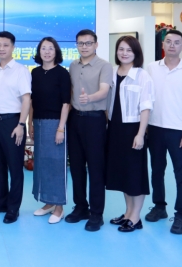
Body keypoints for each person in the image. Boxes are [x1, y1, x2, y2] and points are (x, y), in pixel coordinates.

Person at [145, 29, 182, 234]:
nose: (172, 45)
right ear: (163, 44)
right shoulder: (151, 68)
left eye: (177, 42)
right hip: (154, 128)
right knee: (156, 170)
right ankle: (159, 206)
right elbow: (146, 98)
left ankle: (181, 215)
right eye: (168, 41)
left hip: (179, 130)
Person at [0, 31, 32, 224]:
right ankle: (0, 202)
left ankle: (13, 208)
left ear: (13, 47)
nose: (1, 49)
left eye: (5, 45)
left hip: (13, 123)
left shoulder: (21, 70)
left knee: (15, 167)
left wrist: (21, 124)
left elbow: (26, 99)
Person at [66, 29, 113, 231]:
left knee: (95, 168)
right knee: (76, 167)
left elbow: (104, 90)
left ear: (96, 44)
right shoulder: (73, 65)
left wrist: (89, 98)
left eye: (88, 43)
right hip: (74, 119)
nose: (84, 47)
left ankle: (96, 213)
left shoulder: (105, 65)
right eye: (80, 43)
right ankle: (80, 207)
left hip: (94, 120)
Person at [106, 36, 154, 232]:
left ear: (136, 53)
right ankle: (127, 213)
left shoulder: (142, 76)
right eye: (121, 49)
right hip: (115, 128)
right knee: (123, 173)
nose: (124, 53)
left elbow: (146, 107)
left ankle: (136, 217)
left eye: (129, 50)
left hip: (133, 129)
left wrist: (141, 134)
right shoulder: (112, 72)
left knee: (135, 173)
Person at [28, 37, 70, 224]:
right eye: (43, 48)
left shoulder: (62, 73)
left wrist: (61, 128)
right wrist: (30, 123)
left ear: (56, 51)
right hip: (38, 122)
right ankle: (49, 202)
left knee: (56, 165)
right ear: (39, 51)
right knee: (42, 164)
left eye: (50, 48)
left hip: (55, 124)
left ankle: (59, 207)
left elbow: (66, 103)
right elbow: (31, 101)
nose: (47, 52)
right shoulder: (35, 73)